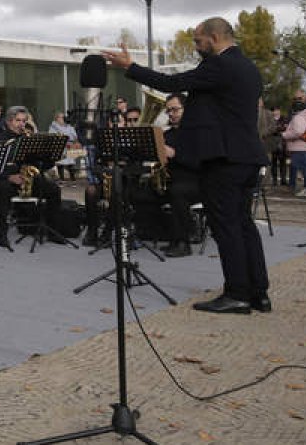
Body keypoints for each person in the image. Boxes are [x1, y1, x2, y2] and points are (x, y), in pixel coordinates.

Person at [102, 17, 270, 314]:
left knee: (227, 226)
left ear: (215, 38)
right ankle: (258, 292)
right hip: (247, 157)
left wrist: (131, 67)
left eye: (198, 40)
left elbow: (173, 83)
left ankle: (238, 294)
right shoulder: (249, 68)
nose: (196, 46)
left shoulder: (219, 65)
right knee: (243, 224)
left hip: (224, 160)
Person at [0, 106, 62, 244]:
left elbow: (44, 166)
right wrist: (9, 177)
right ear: (9, 122)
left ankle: (53, 231)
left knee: (54, 190)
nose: (21, 124)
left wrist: (49, 155)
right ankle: (1, 234)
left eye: (24, 121)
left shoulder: (28, 138)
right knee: (3, 189)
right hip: (6, 179)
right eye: (18, 120)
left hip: (27, 179)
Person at [160, 93, 202, 257]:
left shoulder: (197, 133)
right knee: (141, 192)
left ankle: (184, 242)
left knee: (177, 192)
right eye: (168, 110)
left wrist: (175, 154)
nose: (171, 113)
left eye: (175, 109)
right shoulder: (166, 135)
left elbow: (200, 163)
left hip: (197, 182)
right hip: (173, 181)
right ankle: (164, 236)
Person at [281, 90, 306, 198]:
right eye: (295, 99)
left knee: (304, 168)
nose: (297, 101)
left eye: (299, 98)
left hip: (301, 146)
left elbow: (298, 132)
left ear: (305, 98)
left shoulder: (300, 115)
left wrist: (284, 134)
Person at [48, 112, 80, 180]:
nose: (63, 119)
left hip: (69, 147)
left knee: (71, 163)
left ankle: (73, 178)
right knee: (60, 163)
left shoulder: (69, 127)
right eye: (61, 117)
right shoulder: (53, 127)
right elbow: (52, 137)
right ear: (57, 119)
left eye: (63, 117)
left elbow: (74, 136)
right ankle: (62, 178)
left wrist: (71, 140)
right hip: (60, 147)